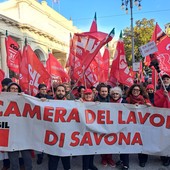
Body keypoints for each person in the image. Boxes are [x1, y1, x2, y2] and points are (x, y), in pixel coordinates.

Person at [7, 82, 32, 170]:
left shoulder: (24, 99)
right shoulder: (3, 100)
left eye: (16, 89)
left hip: (23, 135)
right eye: (12, 88)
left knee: (28, 160)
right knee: (14, 164)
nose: (14, 90)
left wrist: (43, 100)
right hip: (10, 137)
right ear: (8, 90)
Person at [126, 84, 151, 168]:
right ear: (131, 91)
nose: (136, 91)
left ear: (140, 91)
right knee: (127, 140)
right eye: (134, 90)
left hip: (142, 125)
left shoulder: (145, 100)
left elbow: (153, 111)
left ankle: (142, 160)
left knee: (142, 142)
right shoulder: (127, 100)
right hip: (129, 124)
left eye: (137, 90)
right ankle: (125, 161)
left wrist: (148, 106)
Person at [48, 84, 71, 170]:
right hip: (52, 135)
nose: (60, 92)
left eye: (62, 91)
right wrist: (41, 101)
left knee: (66, 157)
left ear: (65, 92)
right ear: (55, 92)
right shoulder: (49, 102)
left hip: (66, 136)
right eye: (59, 90)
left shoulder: (70, 103)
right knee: (53, 159)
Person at [94, 84, 115, 167]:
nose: (104, 93)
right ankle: (103, 158)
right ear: (99, 92)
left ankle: (110, 158)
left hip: (110, 124)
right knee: (102, 141)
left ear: (108, 92)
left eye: (105, 91)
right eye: (102, 91)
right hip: (99, 124)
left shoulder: (111, 99)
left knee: (110, 141)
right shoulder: (95, 99)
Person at [110, 87, 129, 170]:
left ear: (120, 94)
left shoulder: (124, 102)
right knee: (119, 144)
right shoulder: (109, 102)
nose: (115, 95)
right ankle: (121, 160)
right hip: (113, 126)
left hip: (123, 126)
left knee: (124, 144)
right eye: (113, 94)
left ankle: (126, 164)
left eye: (117, 94)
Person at [35, 83, 53, 165]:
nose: (44, 91)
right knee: (40, 139)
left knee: (49, 138)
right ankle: (40, 156)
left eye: (45, 89)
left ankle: (49, 153)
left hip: (48, 121)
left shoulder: (50, 98)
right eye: (42, 89)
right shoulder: (34, 98)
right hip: (39, 122)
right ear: (39, 90)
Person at [154, 73, 170, 166]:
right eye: (164, 79)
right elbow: (157, 104)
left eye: (167, 79)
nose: (166, 81)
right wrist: (164, 97)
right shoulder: (158, 92)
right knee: (164, 138)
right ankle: (164, 157)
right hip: (163, 119)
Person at [80, 89, 98, 170]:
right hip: (84, 129)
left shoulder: (96, 103)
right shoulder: (80, 103)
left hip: (93, 129)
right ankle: (85, 167)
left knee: (92, 148)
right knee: (86, 149)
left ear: (92, 95)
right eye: (86, 94)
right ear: (84, 95)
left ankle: (91, 164)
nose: (88, 96)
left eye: (89, 94)